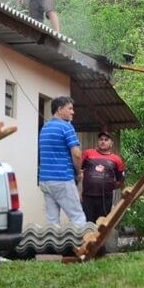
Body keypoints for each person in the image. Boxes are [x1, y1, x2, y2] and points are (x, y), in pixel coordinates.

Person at [38, 96, 87, 226]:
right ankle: (81, 247)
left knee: (52, 222)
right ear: (59, 109)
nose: (73, 112)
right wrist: (78, 172)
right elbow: (76, 154)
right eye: (70, 108)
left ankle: (53, 247)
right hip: (62, 179)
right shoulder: (66, 127)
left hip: (45, 180)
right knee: (78, 218)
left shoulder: (45, 128)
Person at [81, 132, 126, 224]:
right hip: (88, 197)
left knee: (102, 225)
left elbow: (120, 181)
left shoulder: (117, 159)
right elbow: (78, 170)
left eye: (106, 140)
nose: (103, 142)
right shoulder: (88, 153)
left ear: (111, 143)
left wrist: (108, 186)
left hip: (105, 198)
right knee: (87, 224)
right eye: (101, 139)